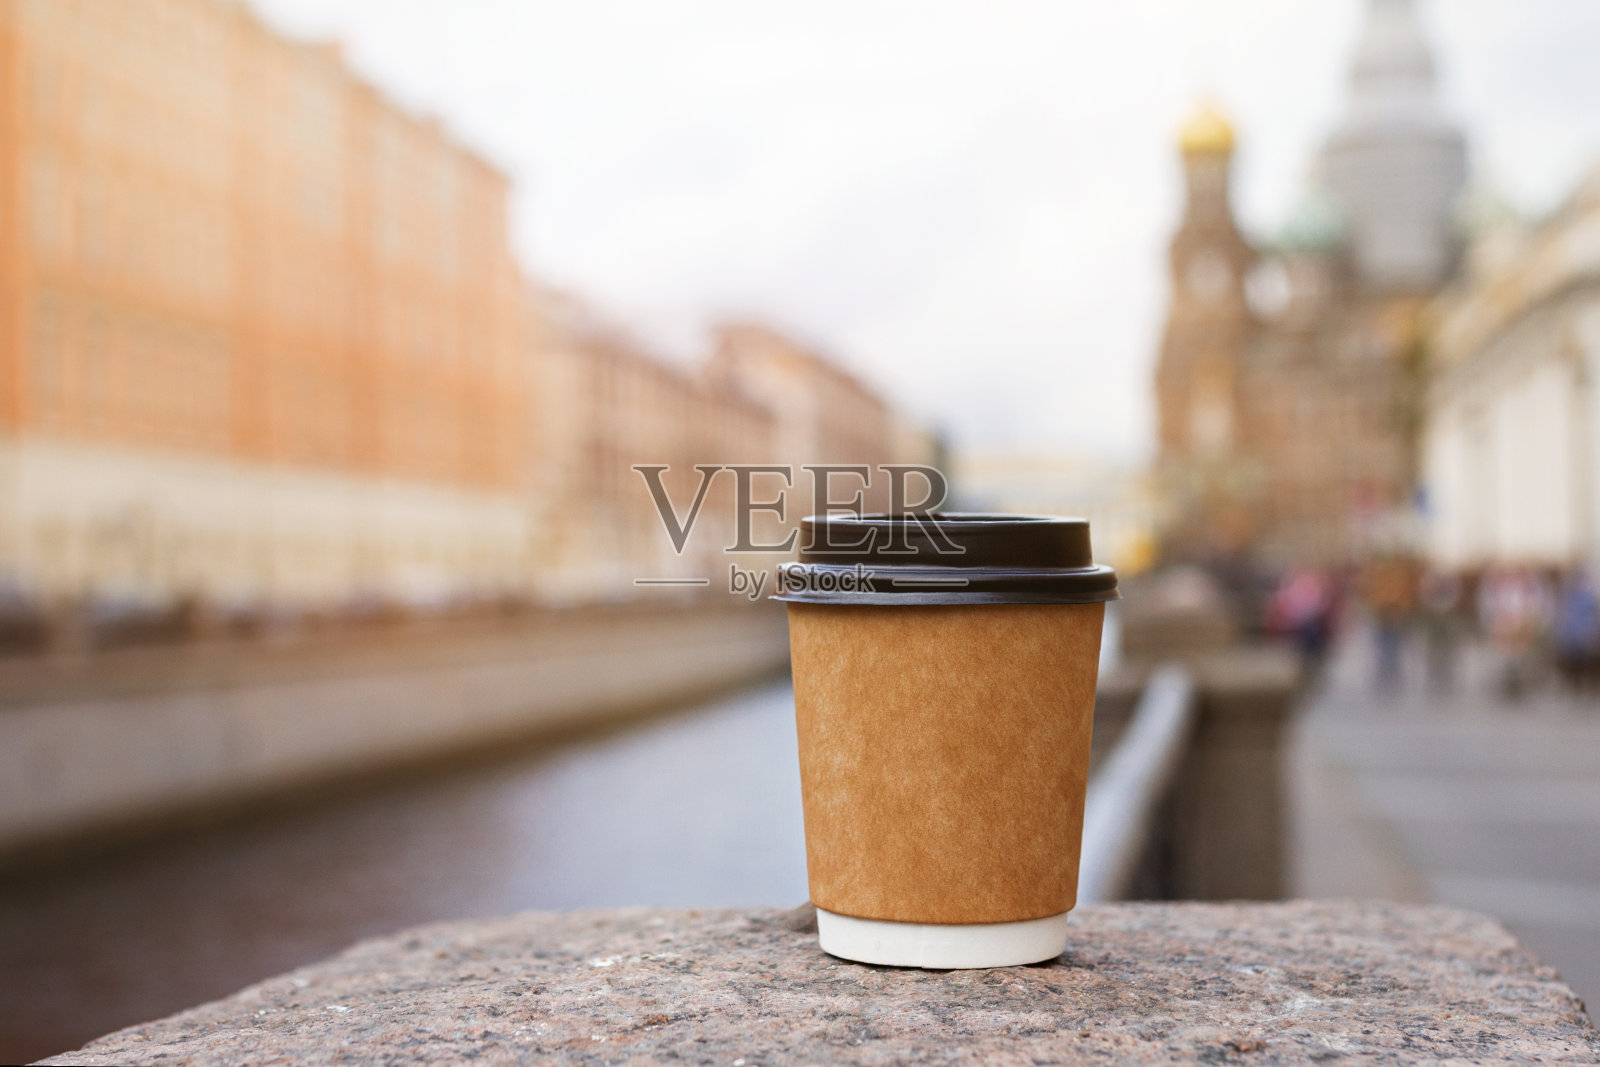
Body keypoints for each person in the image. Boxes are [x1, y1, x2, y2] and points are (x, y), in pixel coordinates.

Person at [1553, 569, 1600, 697]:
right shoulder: (1572, 597)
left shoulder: (1586, 598)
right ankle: (1577, 689)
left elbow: (1592, 618)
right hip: (1574, 638)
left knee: (1586, 665)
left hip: (1581, 638)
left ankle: (1585, 689)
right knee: (1574, 665)